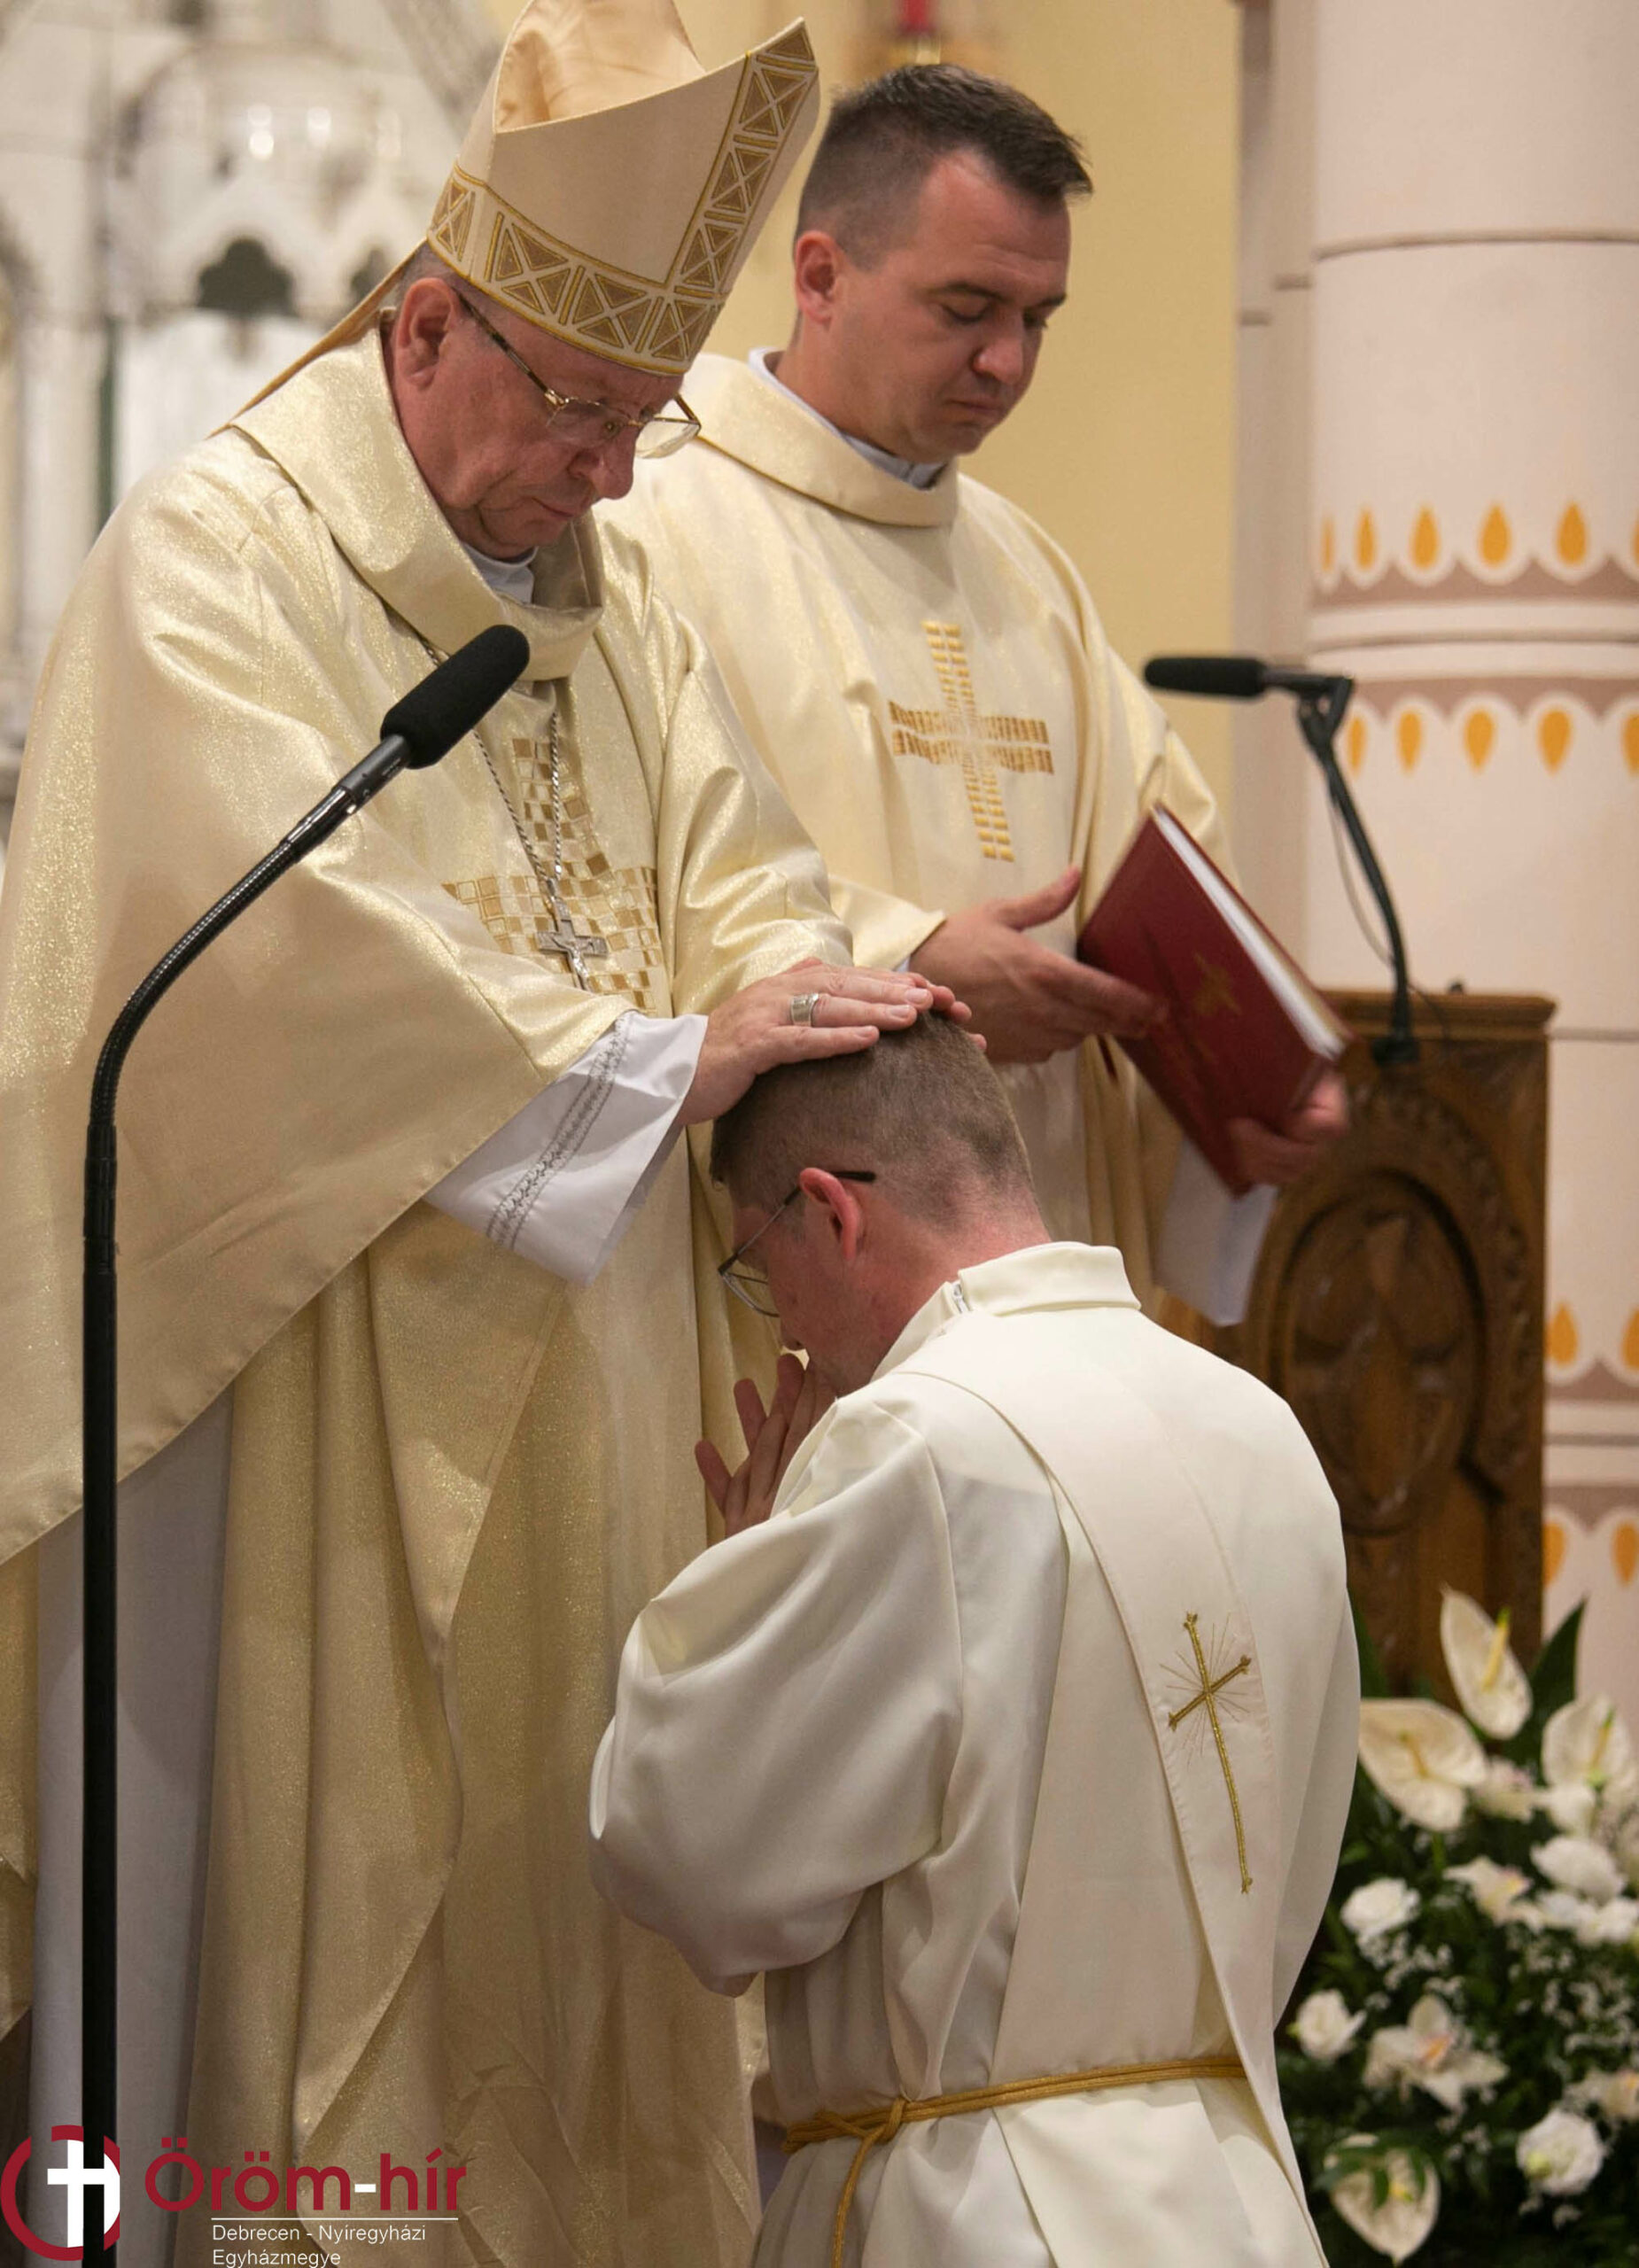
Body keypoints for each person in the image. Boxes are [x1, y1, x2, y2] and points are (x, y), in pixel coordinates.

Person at [0, 6, 958, 2262]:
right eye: (580, 411)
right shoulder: (217, 557)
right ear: (425, 328)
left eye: (641, 420)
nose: (610, 479)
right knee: (343, 1958)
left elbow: (743, 877)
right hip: (313, 1411)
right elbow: (269, 956)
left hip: (600, 1414)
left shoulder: (611, 613)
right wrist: (654, 1062)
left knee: (578, 1961)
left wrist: (805, 1005)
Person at [589, 1014, 1359, 2265]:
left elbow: (691, 1862)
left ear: (829, 1211)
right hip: (1234, 2204)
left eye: (759, 1267)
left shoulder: (916, 1440)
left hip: (975, 2210)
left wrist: (740, 1579)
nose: (781, 1325)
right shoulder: (1258, 1428)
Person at [606, 64, 1347, 1326]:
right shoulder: (654, 522)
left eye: (1038, 319)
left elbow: (1163, 869)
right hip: (794, 1253)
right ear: (821, 276)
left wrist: (1251, 1074)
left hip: (1044, 1238)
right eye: (965, 309)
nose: (1006, 361)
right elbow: (619, 871)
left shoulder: (1025, 570)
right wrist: (913, 965)